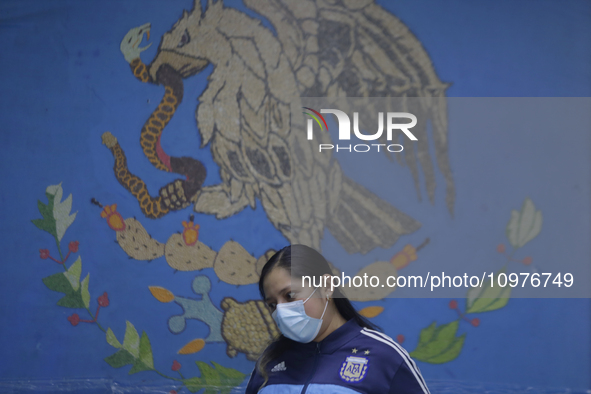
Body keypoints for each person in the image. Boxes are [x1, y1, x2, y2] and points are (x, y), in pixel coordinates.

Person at [245, 244, 430, 394]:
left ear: (326, 286)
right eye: (272, 305)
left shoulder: (383, 356)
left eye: (290, 295)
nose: (282, 310)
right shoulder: (269, 361)